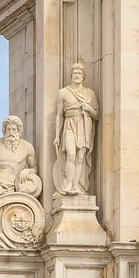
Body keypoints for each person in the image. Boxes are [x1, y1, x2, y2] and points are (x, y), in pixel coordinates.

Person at [52, 61, 99, 196]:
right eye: (74, 73)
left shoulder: (90, 93)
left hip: (84, 124)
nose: (76, 75)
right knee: (71, 154)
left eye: (79, 73)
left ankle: (76, 186)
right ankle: (68, 183)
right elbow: (59, 115)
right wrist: (57, 135)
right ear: (71, 75)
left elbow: (97, 115)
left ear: (83, 76)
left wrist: (89, 109)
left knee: (80, 157)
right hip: (69, 124)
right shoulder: (63, 92)